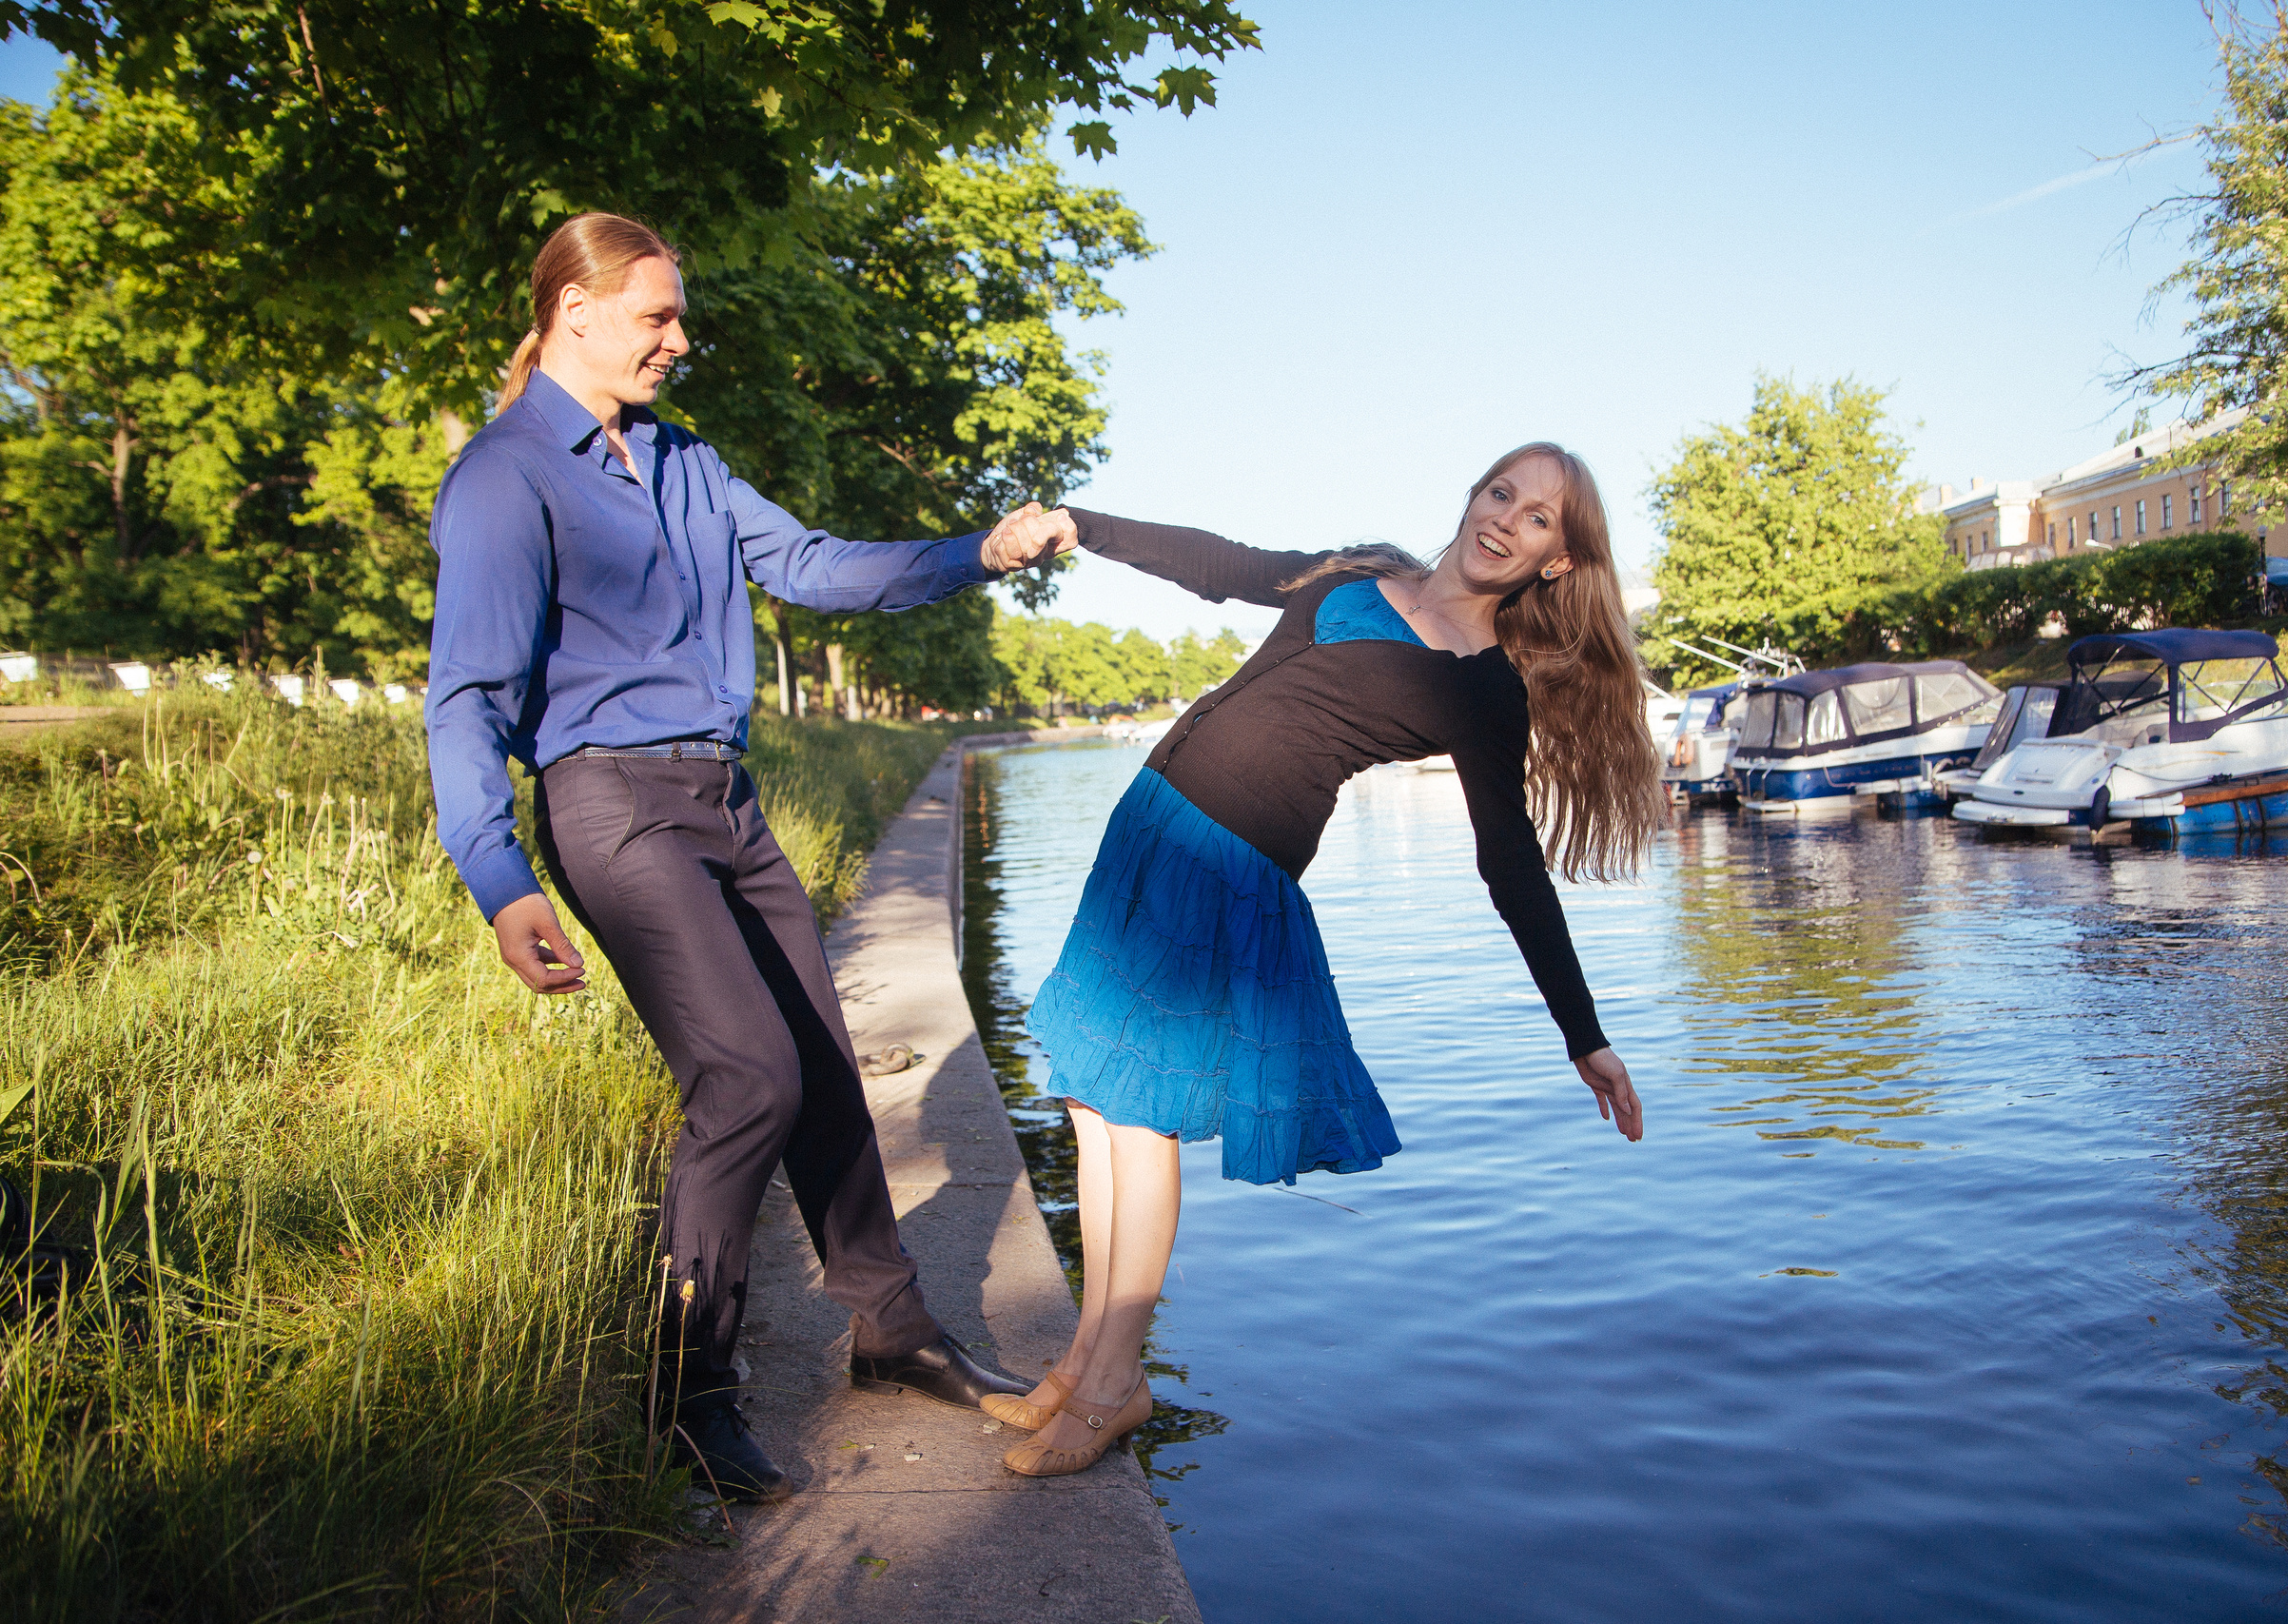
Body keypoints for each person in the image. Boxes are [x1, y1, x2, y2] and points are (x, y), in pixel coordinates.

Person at [425, 212, 1070, 1502]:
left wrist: (978, 552)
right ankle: (687, 1390)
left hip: (725, 798)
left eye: (679, 315)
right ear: (576, 312)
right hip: (612, 806)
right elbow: (467, 695)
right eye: (658, 315)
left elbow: (820, 570)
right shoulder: (506, 475)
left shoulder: (687, 463)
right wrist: (499, 878)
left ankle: (890, 1327)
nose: (680, 338)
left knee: (824, 1068)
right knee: (747, 1073)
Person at [983, 443, 1667, 1476]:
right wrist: (1084, 524)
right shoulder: (1352, 575)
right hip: (1148, 833)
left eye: (1537, 520)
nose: (1506, 521)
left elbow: (1510, 866)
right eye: (1501, 493)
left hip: (1229, 872)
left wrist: (1586, 1035)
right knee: (1092, 1099)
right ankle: (1084, 1362)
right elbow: (1221, 563)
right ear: (1473, 493)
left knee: (1144, 1114)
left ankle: (1121, 1383)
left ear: (1559, 562)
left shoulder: (1481, 687)